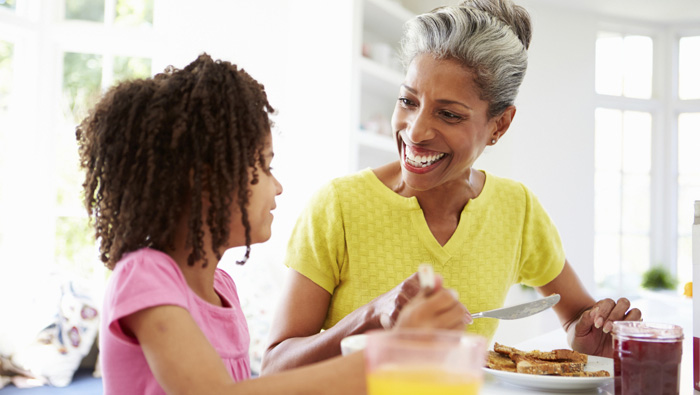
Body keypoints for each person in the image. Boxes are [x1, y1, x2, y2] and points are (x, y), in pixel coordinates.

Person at [261, 0, 642, 374]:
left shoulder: (517, 209)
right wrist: (372, 316)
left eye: (448, 114)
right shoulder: (339, 206)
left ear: (499, 125)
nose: (415, 131)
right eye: (408, 101)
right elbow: (276, 367)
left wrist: (587, 338)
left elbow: (577, 316)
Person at [77, 53, 467, 394]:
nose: (277, 186)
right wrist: (395, 352)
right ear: (205, 180)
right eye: (264, 165)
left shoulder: (222, 290)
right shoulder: (144, 276)